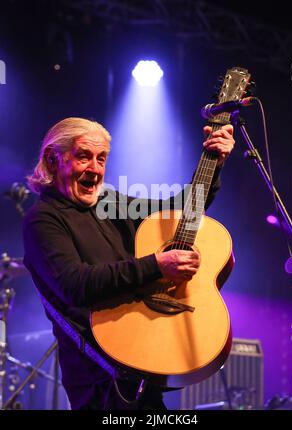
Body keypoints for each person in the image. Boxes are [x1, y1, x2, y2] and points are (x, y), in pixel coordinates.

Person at [22, 117, 235, 410]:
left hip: (140, 365)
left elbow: (180, 210)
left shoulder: (109, 202)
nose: (95, 169)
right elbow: (76, 285)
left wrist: (214, 162)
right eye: (83, 156)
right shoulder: (44, 219)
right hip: (97, 381)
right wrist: (156, 266)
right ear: (52, 159)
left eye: (101, 159)